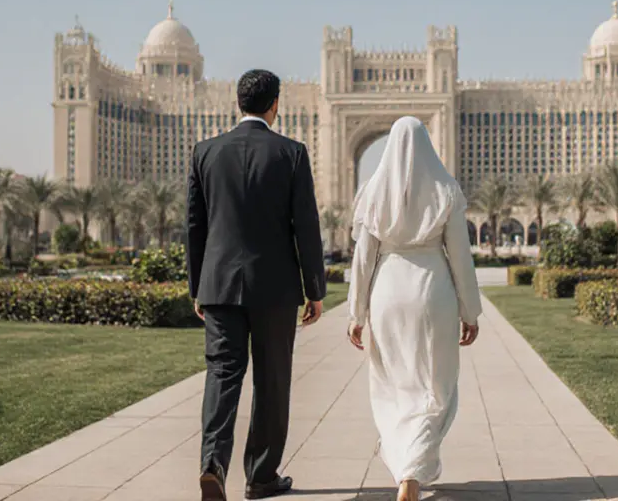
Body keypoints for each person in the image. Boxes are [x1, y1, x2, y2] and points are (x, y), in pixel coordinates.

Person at [186, 69, 327, 501]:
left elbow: (195, 226)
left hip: (220, 287)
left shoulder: (205, 152)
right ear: (275, 105)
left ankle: (213, 464)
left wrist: (197, 287)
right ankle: (261, 476)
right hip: (275, 288)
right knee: (272, 380)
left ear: (238, 103)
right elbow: (306, 225)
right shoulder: (291, 153)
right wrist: (315, 289)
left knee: (222, 375)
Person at [346, 116, 483, 501]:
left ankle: (407, 467)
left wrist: (356, 314)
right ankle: (413, 469)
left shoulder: (373, 194)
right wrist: (469, 311)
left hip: (387, 293)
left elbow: (363, 259)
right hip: (432, 292)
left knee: (393, 385)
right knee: (434, 387)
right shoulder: (446, 192)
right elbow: (460, 257)